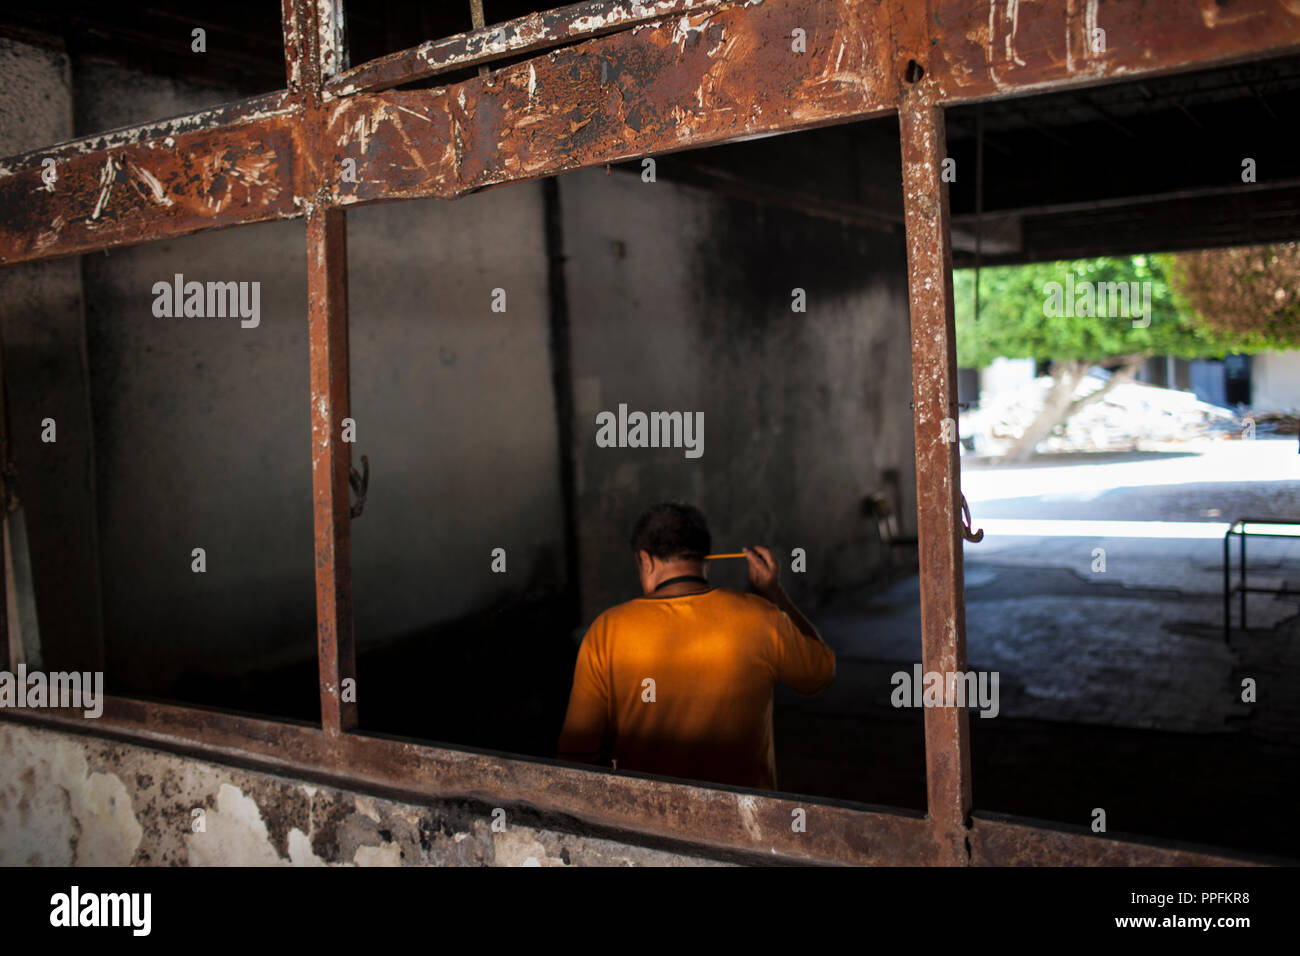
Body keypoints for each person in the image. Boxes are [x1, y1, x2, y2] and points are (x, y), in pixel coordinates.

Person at [557, 502, 835, 789]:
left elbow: (577, 753)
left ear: (646, 561)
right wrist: (774, 592)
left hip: (644, 818)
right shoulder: (761, 617)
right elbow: (820, 675)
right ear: (708, 561)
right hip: (747, 821)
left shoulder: (606, 630)